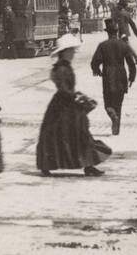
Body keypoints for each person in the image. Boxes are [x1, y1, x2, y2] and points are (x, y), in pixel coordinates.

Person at [36, 33, 111, 177]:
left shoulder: (63, 67)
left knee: (68, 134)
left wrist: (77, 96)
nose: (73, 53)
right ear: (64, 52)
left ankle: (86, 165)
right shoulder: (62, 69)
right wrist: (77, 98)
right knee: (76, 134)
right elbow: (64, 89)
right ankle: (86, 165)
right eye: (71, 51)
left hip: (64, 103)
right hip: (64, 105)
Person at [90, 20, 137, 135]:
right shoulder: (123, 45)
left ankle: (111, 113)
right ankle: (116, 129)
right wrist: (132, 77)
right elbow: (131, 63)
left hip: (108, 76)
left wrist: (97, 70)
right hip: (121, 76)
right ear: (117, 32)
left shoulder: (103, 45)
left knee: (108, 103)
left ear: (108, 33)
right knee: (119, 104)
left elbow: (94, 62)